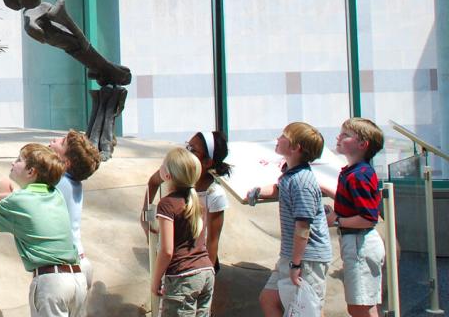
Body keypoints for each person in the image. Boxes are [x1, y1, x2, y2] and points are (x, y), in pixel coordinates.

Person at [0, 143, 87, 316]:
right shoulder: (54, 194)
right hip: (78, 280)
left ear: (31, 172)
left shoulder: (19, 200)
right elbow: (19, 199)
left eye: (19, 160)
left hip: (52, 282)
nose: (13, 163)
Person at [0, 130, 102, 301]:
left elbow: (26, 202)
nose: (55, 139)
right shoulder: (72, 184)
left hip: (62, 269)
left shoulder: (57, 183)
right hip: (80, 265)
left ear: (66, 162)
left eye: (62, 142)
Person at [247, 122, 331, 317]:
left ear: (295, 148)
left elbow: (303, 227)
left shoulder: (302, 181)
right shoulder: (290, 174)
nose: (278, 139)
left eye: (283, 136)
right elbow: (278, 187)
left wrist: (296, 264)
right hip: (291, 254)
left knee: (307, 308)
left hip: (307, 257)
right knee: (269, 298)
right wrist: (259, 191)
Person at [142, 130, 232, 270]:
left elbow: (212, 242)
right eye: (187, 147)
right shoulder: (173, 171)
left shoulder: (215, 194)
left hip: (197, 262)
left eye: (193, 150)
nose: (186, 153)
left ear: (208, 162)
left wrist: (206, 277)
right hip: (172, 259)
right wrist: (145, 216)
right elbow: (153, 182)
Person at [324, 117, 385, 317]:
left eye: (346, 135)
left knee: (359, 307)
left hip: (360, 243)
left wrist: (336, 220)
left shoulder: (358, 175)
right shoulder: (355, 172)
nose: (339, 137)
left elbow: (368, 217)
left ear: (362, 144)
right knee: (362, 304)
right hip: (357, 243)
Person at [150, 147, 215, 316]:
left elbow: (166, 250)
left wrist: (155, 280)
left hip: (183, 277)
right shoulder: (197, 204)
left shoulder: (166, 204)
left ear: (168, 175)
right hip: (206, 272)